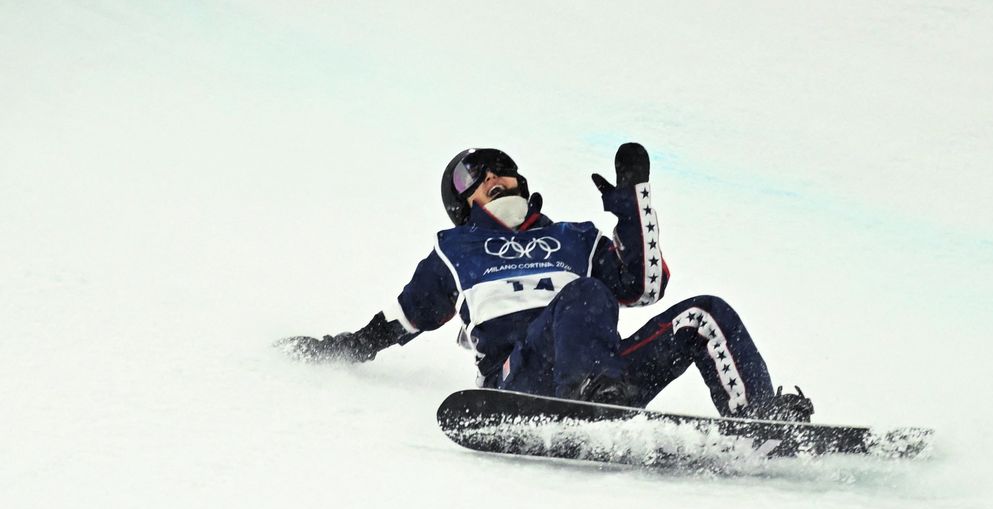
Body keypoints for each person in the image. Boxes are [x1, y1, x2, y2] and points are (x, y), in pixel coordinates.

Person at [278, 143, 813, 421]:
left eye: (498, 169)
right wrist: (340, 348)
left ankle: (758, 420)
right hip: (523, 377)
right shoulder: (456, 250)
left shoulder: (574, 237)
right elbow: (403, 320)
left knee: (705, 312)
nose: (490, 177)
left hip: (609, 374)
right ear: (461, 204)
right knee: (580, 295)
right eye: (473, 177)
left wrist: (633, 200)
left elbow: (645, 287)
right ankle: (590, 394)